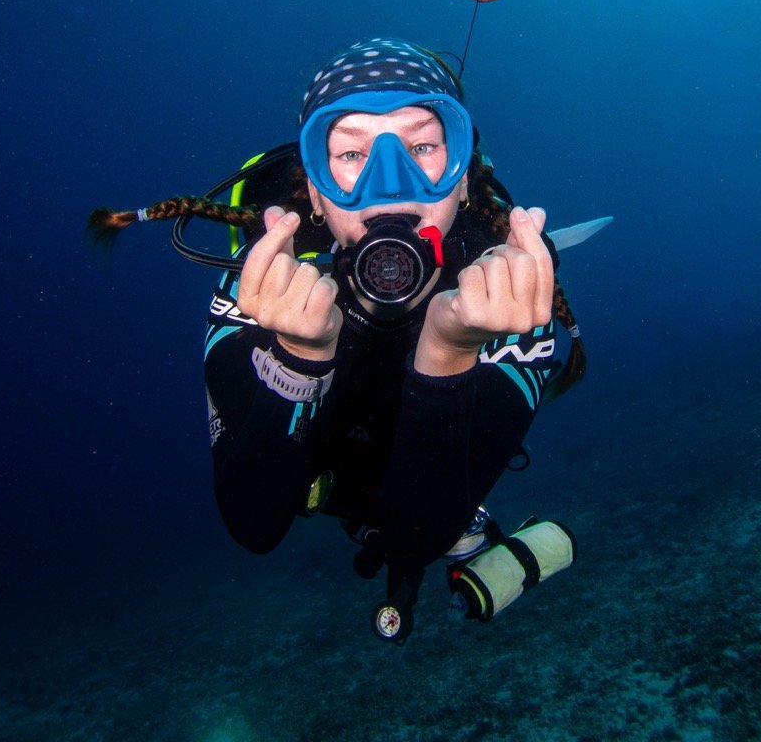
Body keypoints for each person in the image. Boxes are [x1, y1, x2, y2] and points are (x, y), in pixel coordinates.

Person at [90, 38, 585, 642]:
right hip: (326, 480)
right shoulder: (262, 287)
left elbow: (413, 543)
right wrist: (295, 359)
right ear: (316, 192)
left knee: (437, 531)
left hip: (433, 498)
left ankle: (472, 533)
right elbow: (254, 525)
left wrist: (451, 352)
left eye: (424, 146)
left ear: (462, 178)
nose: (388, 184)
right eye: (350, 154)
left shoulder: (510, 297)